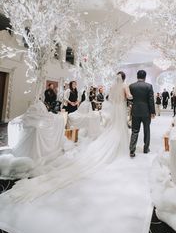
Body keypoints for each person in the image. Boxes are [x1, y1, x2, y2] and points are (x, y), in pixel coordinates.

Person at [1, 72, 132, 201]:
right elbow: (129, 96)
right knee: (118, 129)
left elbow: (111, 98)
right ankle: (118, 148)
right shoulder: (125, 86)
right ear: (123, 78)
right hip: (119, 112)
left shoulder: (113, 87)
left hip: (115, 110)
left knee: (113, 129)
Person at [129, 70, 155, 157]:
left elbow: (130, 99)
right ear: (145, 77)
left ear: (137, 76)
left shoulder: (132, 86)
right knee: (146, 130)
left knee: (134, 130)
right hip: (146, 112)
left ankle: (132, 150)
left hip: (135, 111)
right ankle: (146, 148)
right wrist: (152, 112)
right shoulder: (149, 86)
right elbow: (151, 100)